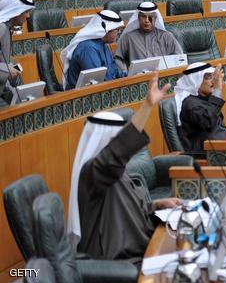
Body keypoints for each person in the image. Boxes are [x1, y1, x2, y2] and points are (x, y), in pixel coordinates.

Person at [68, 74, 182, 261]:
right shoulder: (93, 172)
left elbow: (126, 210)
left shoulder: (115, 172)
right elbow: (117, 152)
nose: (121, 145)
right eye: (116, 139)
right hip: (114, 259)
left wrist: (156, 205)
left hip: (134, 246)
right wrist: (146, 107)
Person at [175, 62, 226, 151]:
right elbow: (208, 122)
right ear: (195, 80)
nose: (213, 81)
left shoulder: (205, 98)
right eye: (208, 77)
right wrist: (217, 90)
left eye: (213, 77)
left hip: (225, 147)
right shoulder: (189, 104)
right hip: (209, 154)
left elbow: (218, 126)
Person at [61, 10, 127, 90]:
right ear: (106, 29)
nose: (118, 33)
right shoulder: (88, 48)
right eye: (117, 30)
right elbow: (97, 80)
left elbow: (113, 72)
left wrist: (130, 75)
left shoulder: (104, 45)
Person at [114, 1, 183, 71]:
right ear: (138, 18)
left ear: (155, 18)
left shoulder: (166, 36)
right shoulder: (128, 38)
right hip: (138, 78)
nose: (147, 20)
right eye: (143, 17)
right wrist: (125, 71)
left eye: (150, 17)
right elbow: (117, 58)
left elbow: (179, 57)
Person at [0, 0, 34, 107]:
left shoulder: (6, 28)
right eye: (26, 12)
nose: (28, 16)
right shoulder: (1, 29)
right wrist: (6, 69)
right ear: (15, 11)